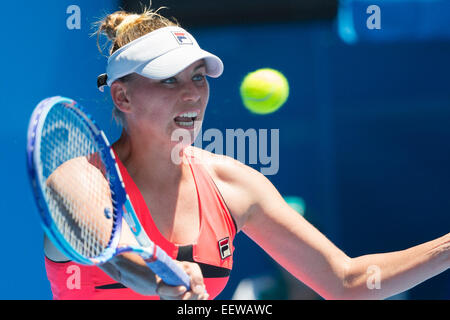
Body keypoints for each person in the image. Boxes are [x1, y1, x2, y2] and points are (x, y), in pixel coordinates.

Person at [43, 7, 449, 300]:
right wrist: (158, 281)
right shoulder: (79, 179)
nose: (191, 93)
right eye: (168, 80)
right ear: (122, 96)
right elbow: (111, 256)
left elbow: (346, 282)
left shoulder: (234, 185)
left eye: (198, 77)